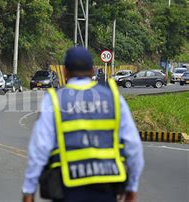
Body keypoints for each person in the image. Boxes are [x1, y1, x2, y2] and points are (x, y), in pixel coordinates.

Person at [22, 47, 144, 202]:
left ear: (65, 72)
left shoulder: (54, 100)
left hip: (68, 187)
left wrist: (29, 190)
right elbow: (133, 146)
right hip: (107, 187)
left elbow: (39, 148)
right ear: (93, 71)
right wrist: (132, 188)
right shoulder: (113, 98)